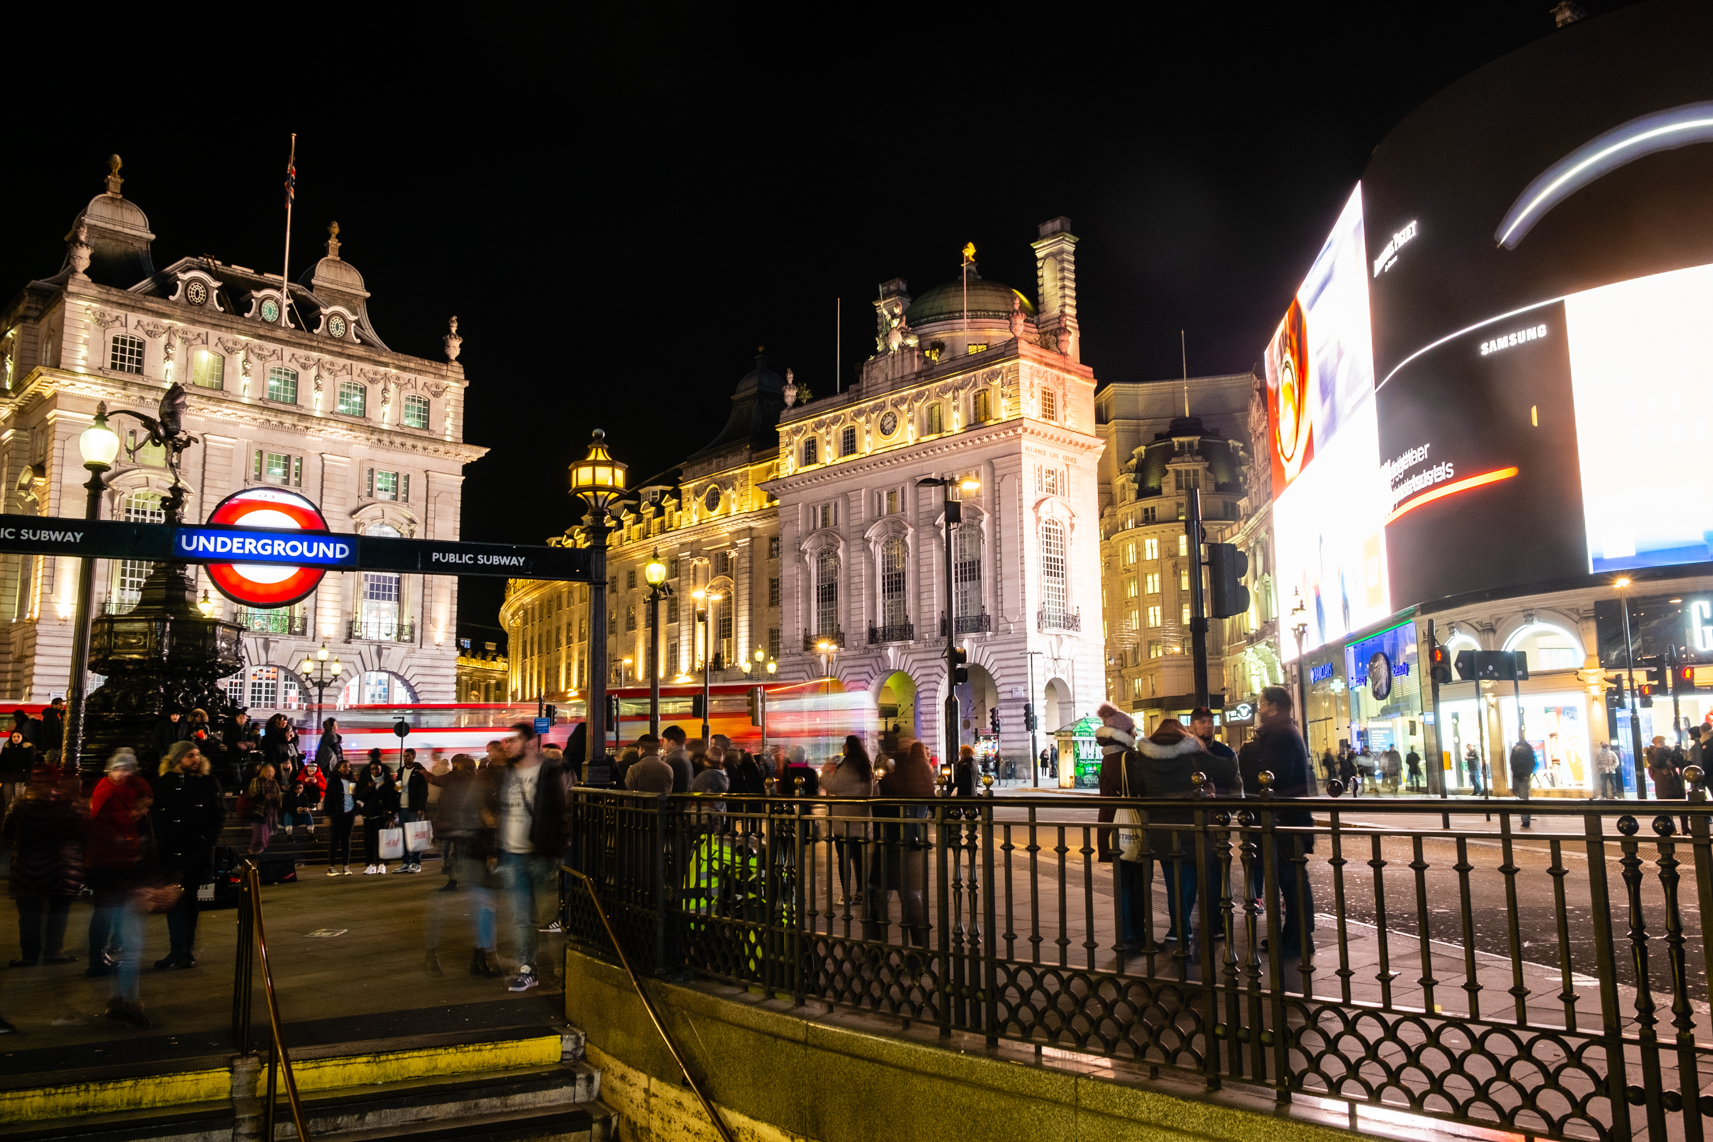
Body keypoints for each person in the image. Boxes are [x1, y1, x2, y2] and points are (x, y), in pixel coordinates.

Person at [493, 722, 568, 992]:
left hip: (541, 855)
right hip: (512, 855)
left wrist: (554, 851)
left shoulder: (549, 771)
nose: (507, 745)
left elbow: (560, 812)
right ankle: (527, 968)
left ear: (529, 742)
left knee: (549, 919)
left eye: (512, 740)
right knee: (520, 917)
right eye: (505, 742)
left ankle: (563, 970)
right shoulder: (505, 772)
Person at [86, 750, 153, 1026]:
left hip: (120, 884)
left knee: (127, 946)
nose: (123, 773)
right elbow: (104, 847)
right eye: (118, 769)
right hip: (117, 884)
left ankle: (118, 999)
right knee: (132, 946)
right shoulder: (107, 802)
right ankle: (129, 1003)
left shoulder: (131, 797)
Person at [1250, 686, 1316, 959]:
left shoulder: (1280, 735)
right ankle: (1294, 934)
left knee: (1291, 879)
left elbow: (1274, 777)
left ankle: (1298, 937)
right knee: (1290, 880)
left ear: (1274, 707)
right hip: (1288, 817)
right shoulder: (1283, 732)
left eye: (1262, 704)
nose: (1260, 709)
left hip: (1285, 819)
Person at [150, 741, 224, 969]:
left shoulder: (208, 782)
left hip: (196, 849)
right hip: (171, 850)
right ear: (177, 758)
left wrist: (207, 839)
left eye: (198, 754)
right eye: (190, 755)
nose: (196, 759)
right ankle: (179, 951)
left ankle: (184, 951)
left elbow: (218, 813)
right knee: (176, 900)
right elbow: (154, 815)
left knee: (189, 899)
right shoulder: (162, 783)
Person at [424, 753, 498, 977]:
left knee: (470, 903)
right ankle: (480, 956)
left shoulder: (458, 783)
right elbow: (485, 822)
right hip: (474, 849)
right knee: (483, 905)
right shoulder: (474, 788)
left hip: (466, 847)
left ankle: (438, 953)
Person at [3, 763, 82, 967]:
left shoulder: (19, 801)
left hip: (26, 863)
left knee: (28, 914)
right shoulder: (67, 801)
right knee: (58, 911)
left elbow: (7, 831)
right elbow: (78, 831)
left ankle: (29, 955)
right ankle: (53, 951)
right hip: (59, 864)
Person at [1094, 705, 1152, 954]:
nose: (1136, 734)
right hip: (1130, 828)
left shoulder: (1108, 757)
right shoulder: (1128, 758)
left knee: (1125, 884)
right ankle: (1135, 936)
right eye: (1132, 729)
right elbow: (1143, 788)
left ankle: (1128, 936)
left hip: (1113, 827)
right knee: (1137, 884)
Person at [869, 739, 934, 945]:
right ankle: (920, 950)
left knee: (879, 899)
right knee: (912, 900)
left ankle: (876, 946)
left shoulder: (888, 785)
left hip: (889, 847)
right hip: (913, 846)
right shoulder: (922, 786)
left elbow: (875, 811)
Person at [822, 735, 874, 906]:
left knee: (844, 858)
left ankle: (846, 894)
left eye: (845, 745)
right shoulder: (866, 766)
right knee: (859, 858)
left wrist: (826, 769)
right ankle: (861, 892)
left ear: (850, 747)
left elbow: (832, 785)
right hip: (860, 818)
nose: (843, 747)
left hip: (843, 820)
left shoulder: (847, 767)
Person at [356, 754, 400, 874]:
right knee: (369, 840)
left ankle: (382, 863)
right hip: (368, 814)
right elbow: (358, 796)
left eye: (377, 768)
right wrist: (368, 789)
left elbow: (393, 798)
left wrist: (392, 813)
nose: (375, 771)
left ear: (381, 769)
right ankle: (371, 863)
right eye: (373, 769)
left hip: (382, 815)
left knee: (381, 839)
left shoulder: (388, 782)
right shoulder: (366, 781)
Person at [1187, 708, 1241, 796]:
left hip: (1220, 807)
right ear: (1192, 726)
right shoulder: (1183, 752)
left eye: (1211, 721)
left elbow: (1236, 787)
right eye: (1202, 722)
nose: (1208, 725)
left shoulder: (1227, 753)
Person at [324, 759, 360, 876]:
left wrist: (356, 795)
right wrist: (328, 815)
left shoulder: (351, 780)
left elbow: (356, 796)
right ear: (338, 768)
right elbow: (328, 799)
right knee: (334, 840)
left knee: (346, 840)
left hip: (349, 813)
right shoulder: (334, 782)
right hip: (336, 814)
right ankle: (331, 867)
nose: (347, 769)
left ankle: (346, 865)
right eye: (344, 767)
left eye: (348, 767)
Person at [0, 708, 37, 817]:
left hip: (21, 777)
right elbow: (2, 762)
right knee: (8, 799)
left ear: (22, 737)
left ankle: (18, 818)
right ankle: (8, 818)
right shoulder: (7, 747)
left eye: (18, 736)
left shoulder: (27, 748)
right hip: (8, 777)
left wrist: (27, 774)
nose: (16, 738)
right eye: (14, 736)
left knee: (19, 799)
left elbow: (30, 763)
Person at [397, 757, 430, 872]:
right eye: (404, 756)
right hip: (402, 807)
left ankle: (416, 862)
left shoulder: (418, 771)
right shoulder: (401, 771)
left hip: (413, 809)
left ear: (413, 757)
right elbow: (397, 788)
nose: (405, 758)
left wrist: (421, 808)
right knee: (404, 836)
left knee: (415, 835)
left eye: (408, 756)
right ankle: (405, 862)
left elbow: (423, 790)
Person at [242, 762, 282, 854]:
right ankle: (253, 856)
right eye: (268, 771)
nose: (270, 774)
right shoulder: (256, 780)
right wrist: (265, 797)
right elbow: (253, 794)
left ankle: (259, 856)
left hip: (270, 812)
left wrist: (275, 798)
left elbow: (279, 799)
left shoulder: (275, 784)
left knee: (266, 836)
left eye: (272, 772)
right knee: (259, 836)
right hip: (258, 811)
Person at [224, 710, 260, 785]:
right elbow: (226, 740)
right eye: (240, 718)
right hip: (234, 756)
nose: (242, 720)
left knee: (244, 776)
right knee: (237, 777)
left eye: (244, 718)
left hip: (245, 755)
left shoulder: (246, 728)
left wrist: (250, 743)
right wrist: (236, 744)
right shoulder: (230, 728)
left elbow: (251, 739)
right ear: (237, 718)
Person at [1508, 735, 1537, 828]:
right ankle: (1525, 819)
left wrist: (1515, 775)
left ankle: (1524, 818)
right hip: (1524, 776)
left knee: (1520, 797)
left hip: (1517, 776)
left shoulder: (1514, 749)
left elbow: (1512, 763)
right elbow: (1532, 762)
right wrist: (1528, 774)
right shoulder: (1528, 749)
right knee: (1524, 798)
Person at [660, 726, 693, 793]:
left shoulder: (674, 759)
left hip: (675, 800)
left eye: (664, 741)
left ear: (671, 743)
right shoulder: (684, 755)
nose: (663, 745)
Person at [38, 697, 65, 770]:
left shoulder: (52, 716)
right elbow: (52, 732)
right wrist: (56, 745)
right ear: (53, 705)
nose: (62, 706)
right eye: (60, 704)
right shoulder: (51, 717)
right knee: (50, 767)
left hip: (52, 747)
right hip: (52, 747)